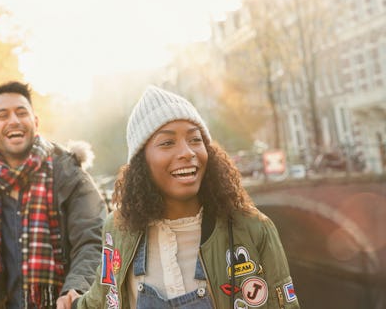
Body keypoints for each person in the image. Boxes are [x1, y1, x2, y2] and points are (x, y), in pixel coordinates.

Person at [67, 85, 300, 308]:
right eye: (167, 143)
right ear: (141, 162)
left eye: (195, 140)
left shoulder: (253, 228)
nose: (187, 153)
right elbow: (104, 295)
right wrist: (73, 302)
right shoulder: (118, 228)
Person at [0, 81, 107, 308]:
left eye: (21, 113)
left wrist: (77, 288)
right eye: (3, 115)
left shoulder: (70, 177)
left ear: (35, 122)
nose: (14, 121)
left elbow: (93, 240)